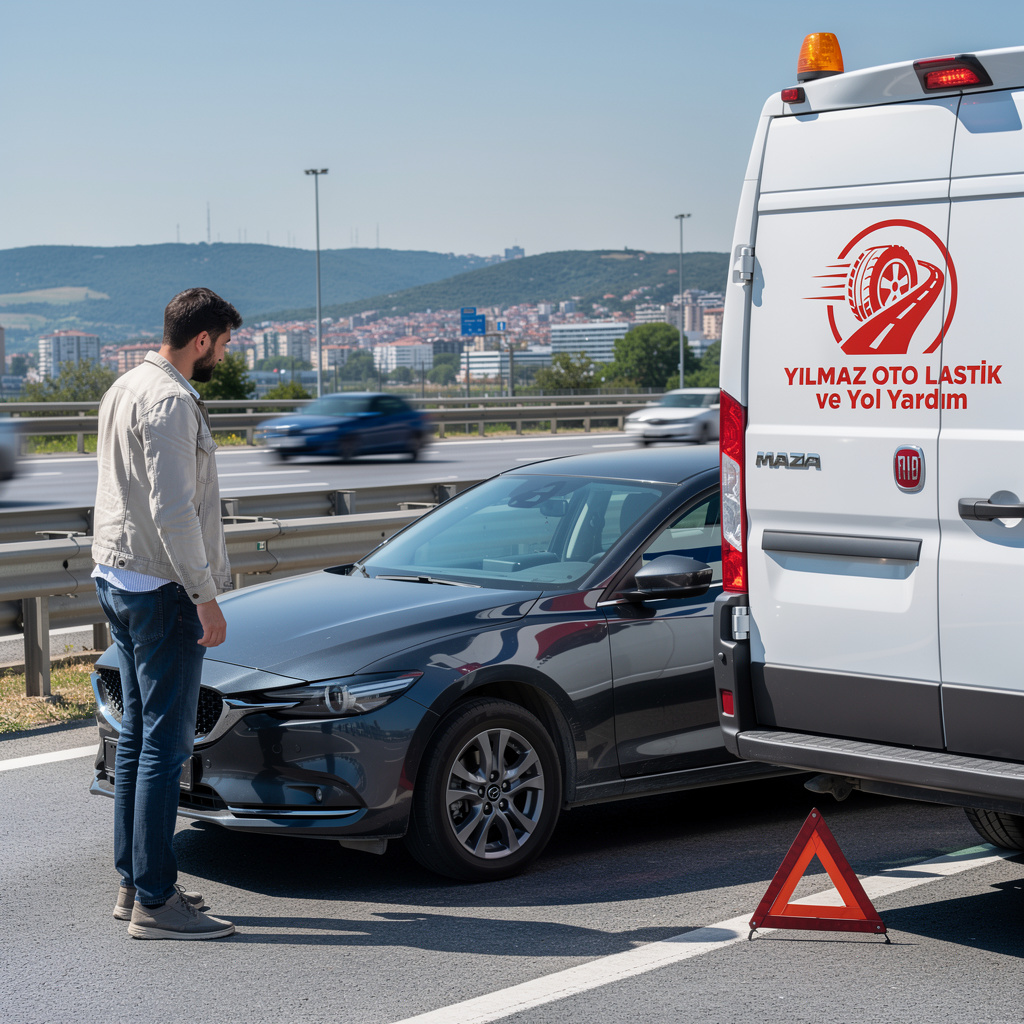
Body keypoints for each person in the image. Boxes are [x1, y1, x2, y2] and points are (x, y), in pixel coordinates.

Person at [91, 287, 242, 940]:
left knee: (136, 740)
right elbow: (175, 510)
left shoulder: (124, 386)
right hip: (161, 586)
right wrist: (205, 595)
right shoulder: (174, 400)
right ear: (202, 339)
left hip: (117, 575)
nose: (226, 355)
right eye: (226, 342)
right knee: (166, 745)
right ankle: (156, 900)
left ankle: (136, 883)